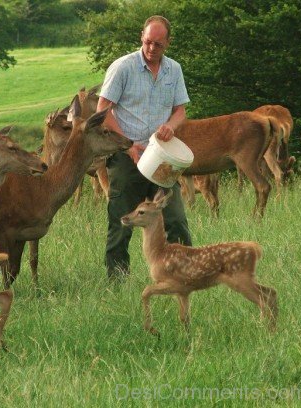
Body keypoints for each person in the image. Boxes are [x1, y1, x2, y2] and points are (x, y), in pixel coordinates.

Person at [97, 15, 192, 280]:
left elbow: (180, 111)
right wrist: (128, 146)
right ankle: (118, 283)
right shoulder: (123, 67)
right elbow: (103, 109)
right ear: (142, 36)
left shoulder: (174, 70)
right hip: (128, 156)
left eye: (158, 44)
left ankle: (184, 278)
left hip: (162, 157)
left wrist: (171, 126)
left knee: (175, 220)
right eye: (148, 42)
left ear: (168, 43)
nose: (152, 48)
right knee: (122, 222)